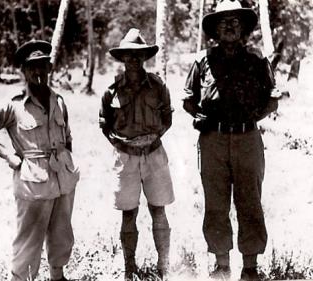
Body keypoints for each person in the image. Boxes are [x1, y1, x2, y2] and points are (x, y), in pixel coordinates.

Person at [182, 1, 279, 280]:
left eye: (235, 20)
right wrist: (205, 118)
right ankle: (222, 266)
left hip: (248, 139)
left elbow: (273, 100)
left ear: (243, 27)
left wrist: (249, 119)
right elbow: (188, 100)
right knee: (216, 202)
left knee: (250, 202)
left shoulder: (257, 60)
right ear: (214, 29)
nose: (229, 25)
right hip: (213, 141)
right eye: (223, 21)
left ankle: (250, 268)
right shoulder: (203, 60)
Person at [0, 39, 79, 281]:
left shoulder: (59, 101)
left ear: (49, 68)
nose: (38, 72)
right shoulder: (14, 104)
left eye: (42, 65)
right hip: (33, 184)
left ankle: (57, 276)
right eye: (32, 67)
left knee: (62, 235)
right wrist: (9, 156)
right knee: (28, 241)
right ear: (24, 71)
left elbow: (67, 137)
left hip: (63, 180)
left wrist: (66, 161)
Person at [99, 28, 175, 280]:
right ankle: (129, 268)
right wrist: (124, 145)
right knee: (128, 212)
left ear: (144, 58)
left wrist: (151, 139)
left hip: (154, 154)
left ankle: (164, 265)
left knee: (158, 209)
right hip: (125, 157)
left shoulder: (157, 85)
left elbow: (167, 117)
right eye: (128, 55)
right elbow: (104, 125)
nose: (133, 59)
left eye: (138, 55)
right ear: (122, 59)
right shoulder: (111, 91)